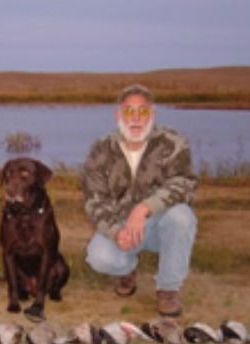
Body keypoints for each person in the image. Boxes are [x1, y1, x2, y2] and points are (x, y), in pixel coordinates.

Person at [82, 84, 198, 317]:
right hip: (122, 227)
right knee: (98, 257)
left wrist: (143, 209)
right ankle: (127, 269)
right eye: (128, 111)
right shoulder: (101, 149)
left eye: (143, 112)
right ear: (118, 115)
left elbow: (184, 184)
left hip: (160, 224)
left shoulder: (172, 142)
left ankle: (168, 290)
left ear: (152, 114)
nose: (136, 118)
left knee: (183, 217)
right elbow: (94, 201)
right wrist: (116, 232)